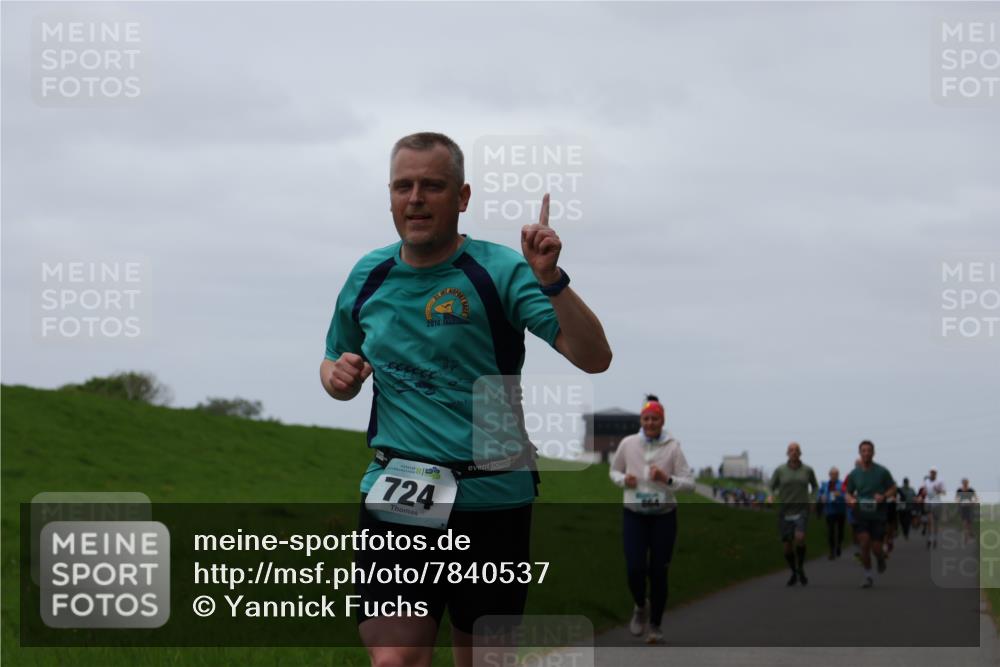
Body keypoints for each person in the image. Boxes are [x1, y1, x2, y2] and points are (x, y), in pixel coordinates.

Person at [320, 132, 612, 667]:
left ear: (462, 197)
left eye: (432, 186)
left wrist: (551, 280)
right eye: (403, 186)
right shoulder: (369, 275)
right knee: (394, 659)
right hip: (399, 492)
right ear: (390, 196)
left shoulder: (500, 271)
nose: (415, 199)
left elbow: (594, 357)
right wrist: (338, 377)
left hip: (492, 496)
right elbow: (335, 356)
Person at [609, 395, 694, 644]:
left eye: (655, 418)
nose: (650, 423)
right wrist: (624, 480)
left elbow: (689, 484)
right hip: (634, 514)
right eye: (646, 418)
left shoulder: (673, 447)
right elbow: (614, 470)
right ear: (641, 420)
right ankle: (640, 605)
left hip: (663, 517)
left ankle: (655, 625)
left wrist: (667, 479)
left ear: (662, 420)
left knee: (659, 572)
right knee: (634, 568)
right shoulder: (628, 444)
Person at [845, 441, 897, 589]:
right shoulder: (854, 474)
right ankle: (868, 576)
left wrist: (884, 496)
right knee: (865, 543)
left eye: (869, 450)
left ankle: (880, 559)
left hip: (878, 515)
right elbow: (848, 492)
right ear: (860, 453)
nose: (866, 453)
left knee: (876, 548)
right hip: (861, 514)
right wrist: (850, 499)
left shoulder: (882, 471)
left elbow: (893, 488)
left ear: (873, 453)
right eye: (863, 450)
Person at [768, 442, 819, 586]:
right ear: (787, 453)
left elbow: (815, 486)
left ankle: (800, 567)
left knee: (800, 537)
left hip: (802, 509)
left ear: (800, 453)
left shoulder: (807, 470)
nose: (794, 452)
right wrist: (770, 496)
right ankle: (794, 572)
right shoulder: (780, 470)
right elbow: (771, 486)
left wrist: (812, 500)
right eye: (791, 450)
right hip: (785, 510)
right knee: (787, 547)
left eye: (796, 450)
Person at [817, 467, 847, 559]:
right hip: (829, 511)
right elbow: (819, 494)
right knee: (831, 531)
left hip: (840, 510)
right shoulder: (825, 484)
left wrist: (840, 495)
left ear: (838, 475)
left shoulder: (842, 484)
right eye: (832, 474)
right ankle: (831, 551)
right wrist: (821, 497)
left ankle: (839, 545)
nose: (834, 476)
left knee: (840, 531)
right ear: (829, 475)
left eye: (836, 474)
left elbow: (846, 495)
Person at [922, 467, 946, 549]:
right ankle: (929, 539)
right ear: (930, 473)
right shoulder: (926, 481)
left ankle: (935, 538)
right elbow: (924, 490)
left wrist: (938, 490)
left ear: (936, 473)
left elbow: (944, 492)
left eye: (934, 472)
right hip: (928, 502)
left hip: (937, 503)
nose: (932, 473)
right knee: (930, 521)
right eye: (931, 472)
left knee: (935, 523)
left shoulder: (940, 481)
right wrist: (924, 492)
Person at [955, 478, 979, 546]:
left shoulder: (971, 490)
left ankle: (970, 532)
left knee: (969, 523)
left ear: (968, 483)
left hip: (969, 507)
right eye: (964, 483)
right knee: (964, 522)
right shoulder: (959, 490)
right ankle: (966, 537)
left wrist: (973, 502)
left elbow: (976, 498)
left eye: (966, 483)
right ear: (962, 483)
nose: (965, 484)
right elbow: (956, 498)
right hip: (962, 508)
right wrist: (958, 503)